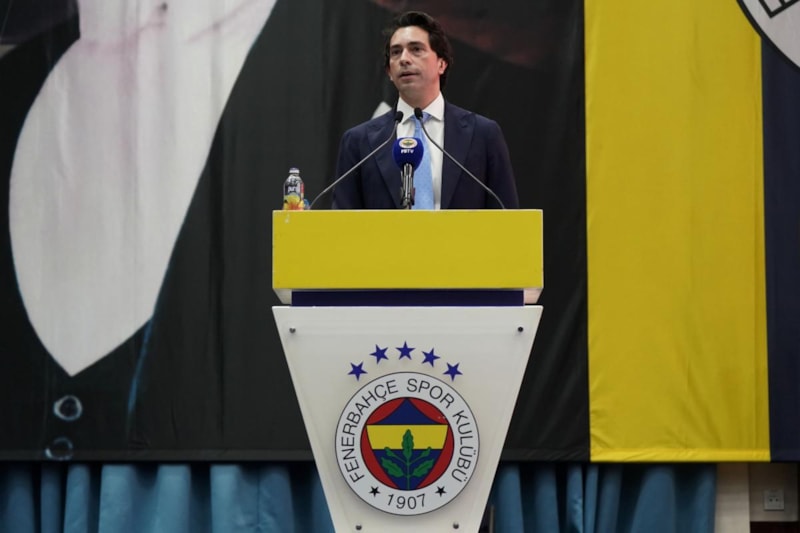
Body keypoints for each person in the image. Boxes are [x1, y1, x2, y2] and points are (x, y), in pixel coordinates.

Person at [332, 10, 520, 210]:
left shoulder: (482, 135)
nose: (404, 59)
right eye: (396, 52)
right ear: (389, 72)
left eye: (416, 49)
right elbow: (343, 220)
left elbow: (507, 216)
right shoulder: (359, 142)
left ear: (441, 63)